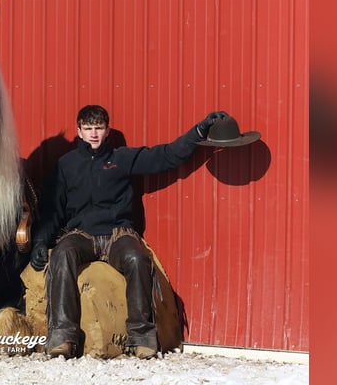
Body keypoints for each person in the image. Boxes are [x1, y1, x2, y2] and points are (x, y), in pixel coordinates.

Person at [30, 105, 228, 359]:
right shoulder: (66, 165)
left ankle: (142, 336)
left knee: (137, 258)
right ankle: (62, 336)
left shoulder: (121, 158)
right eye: (88, 129)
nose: (93, 134)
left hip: (117, 235)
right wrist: (39, 241)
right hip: (81, 235)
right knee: (62, 253)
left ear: (107, 130)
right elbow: (51, 210)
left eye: (98, 128)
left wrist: (199, 130)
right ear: (79, 132)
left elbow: (167, 155)